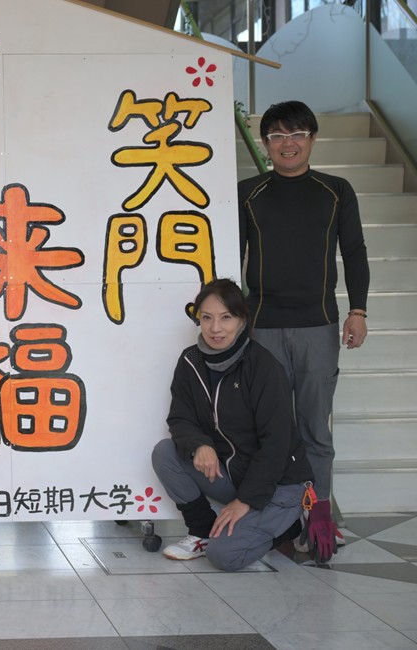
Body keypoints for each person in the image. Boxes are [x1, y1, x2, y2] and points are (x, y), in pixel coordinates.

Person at [239, 100, 370, 563]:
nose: (287, 143)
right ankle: (276, 518)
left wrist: (358, 310)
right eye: (277, 136)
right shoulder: (248, 193)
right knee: (269, 430)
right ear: (265, 144)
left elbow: (354, 251)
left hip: (319, 324)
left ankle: (319, 518)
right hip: (262, 327)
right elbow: (229, 255)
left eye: (296, 134)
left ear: (312, 138)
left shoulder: (335, 191)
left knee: (315, 430)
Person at [152, 279, 313, 571]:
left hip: (279, 485)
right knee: (166, 453)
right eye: (207, 318)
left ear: (241, 319)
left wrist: (245, 501)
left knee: (224, 556)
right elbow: (180, 418)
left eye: (226, 317)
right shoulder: (190, 361)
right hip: (236, 475)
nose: (216, 328)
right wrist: (199, 445)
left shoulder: (263, 367)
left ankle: (290, 523)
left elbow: (276, 444)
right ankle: (202, 532)